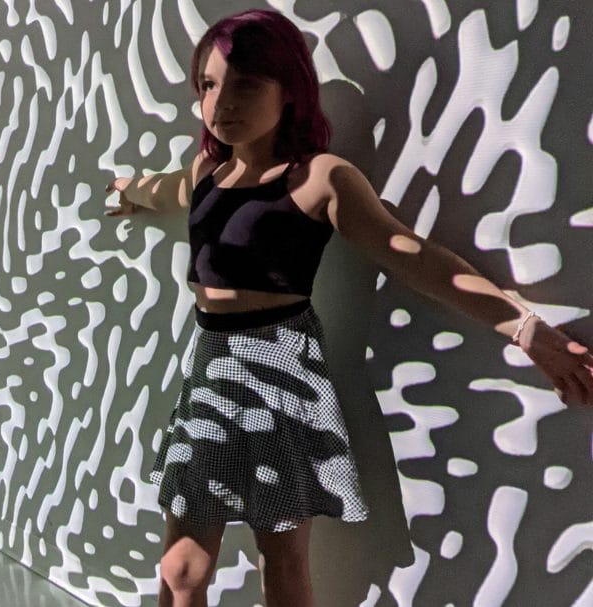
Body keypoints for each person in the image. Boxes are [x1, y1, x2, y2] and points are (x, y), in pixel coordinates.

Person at [103, 9, 593, 607]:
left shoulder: (319, 178)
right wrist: (128, 191)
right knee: (181, 569)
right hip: (211, 376)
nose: (222, 101)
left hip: (280, 372)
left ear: (290, 91)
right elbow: (164, 188)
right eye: (208, 85)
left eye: (245, 83)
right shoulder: (210, 171)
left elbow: (417, 259)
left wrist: (525, 329)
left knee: (281, 564)